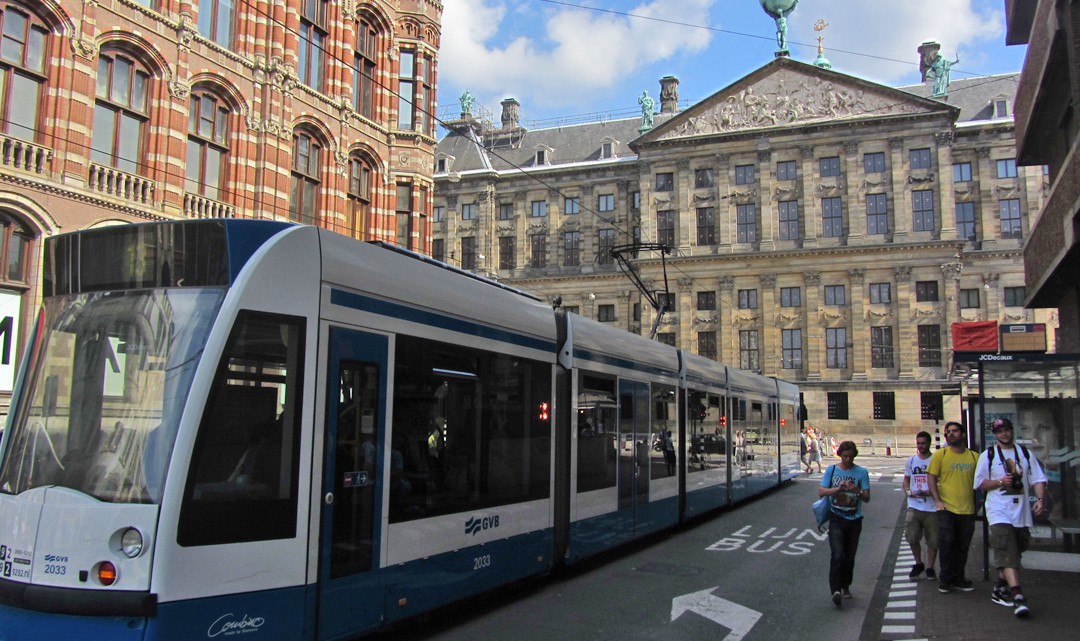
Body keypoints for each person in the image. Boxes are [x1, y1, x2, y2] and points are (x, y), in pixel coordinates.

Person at [974, 418, 1048, 618]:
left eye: (1006, 430)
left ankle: (999, 588)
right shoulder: (988, 456)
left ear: (1011, 431)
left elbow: (1038, 478)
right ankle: (1018, 597)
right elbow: (979, 484)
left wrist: (1040, 498)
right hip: (999, 512)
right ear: (995, 434)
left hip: (1021, 513)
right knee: (1007, 552)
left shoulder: (1025, 453)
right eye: (1000, 431)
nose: (1004, 434)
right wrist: (999, 481)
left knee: (1016, 552)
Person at [928, 421, 979, 594]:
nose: (950, 434)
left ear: (963, 434)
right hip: (946, 508)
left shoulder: (974, 457)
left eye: (954, 431)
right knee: (947, 543)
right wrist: (937, 500)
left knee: (962, 545)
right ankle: (945, 578)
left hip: (967, 508)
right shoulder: (940, 455)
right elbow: (931, 478)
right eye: (947, 432)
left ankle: (959, 577)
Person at [819, 440, 870, 608]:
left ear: (854, 456)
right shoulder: (832, 470)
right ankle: (835, 590)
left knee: (849, 557)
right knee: (837, 554)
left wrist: (856, 490)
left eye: (850, 456)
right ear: (840, 455)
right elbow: (821, 491)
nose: (847, 459)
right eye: (845, 456)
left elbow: (867, 497)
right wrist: (838, 489)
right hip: (836, 518)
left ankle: (845, 585)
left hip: (855, 520)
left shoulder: (862, 472)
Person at [903, 431, 938, 580]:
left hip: (932, 506)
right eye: (918, 443)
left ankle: (930, 567)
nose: (921, 446)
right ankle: (918, 563)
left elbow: (941, 480)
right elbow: (906, 480)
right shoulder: (911, 461)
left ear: (929, 443)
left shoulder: (935, 460)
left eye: (923, 443)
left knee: (933, 539)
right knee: (912, 536)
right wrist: (908, 491)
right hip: (914, 505)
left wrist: (933, 492)